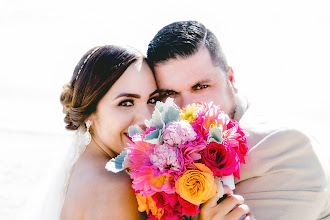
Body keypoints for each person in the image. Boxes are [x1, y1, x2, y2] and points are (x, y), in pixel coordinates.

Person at [146, 20, 330, 219]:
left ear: (231, 80)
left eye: (201, 87)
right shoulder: (156, 154)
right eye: (170, 93)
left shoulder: (283, 146)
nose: (187, 107)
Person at [58, 45, 159, 219]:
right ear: (90, 111)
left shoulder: (83, 169)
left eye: (152, 100)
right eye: (126, 103)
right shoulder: (114, 186)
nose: (147, 119)